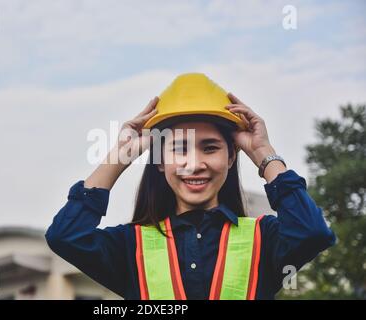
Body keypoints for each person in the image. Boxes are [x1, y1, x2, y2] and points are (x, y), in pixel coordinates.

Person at [45, 73, 336, 300]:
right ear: (159, 160)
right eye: (180, 149)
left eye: (210, 148)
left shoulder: (265, 238)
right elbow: (66, 236)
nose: (194, 164)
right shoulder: (130, 246)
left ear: (231, 157)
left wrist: (263, 152)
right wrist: (119, 156)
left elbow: (312, 233)